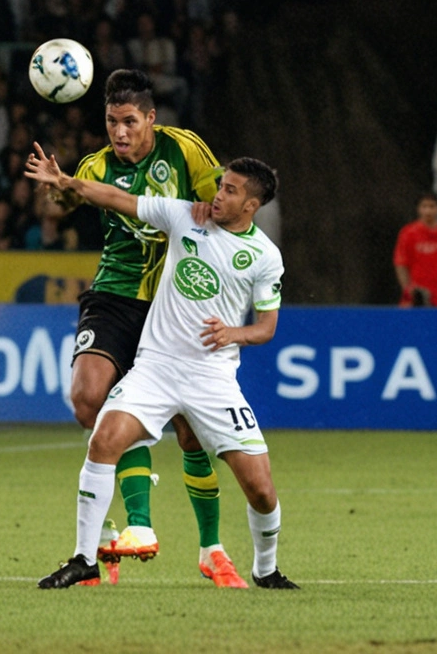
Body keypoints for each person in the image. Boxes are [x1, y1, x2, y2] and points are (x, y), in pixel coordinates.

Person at [28, 152, 296, 590]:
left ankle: (265, 570)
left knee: (261, 490)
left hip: (212, 378)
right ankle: (83, 559)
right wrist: (67, 181)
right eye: (219, 184)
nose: (217, 193)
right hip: (155, 367)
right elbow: (116, 197)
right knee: (103, 440)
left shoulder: (265, 257)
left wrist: (234, 333)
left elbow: (266, 327)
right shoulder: (183, 217)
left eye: (229, 190)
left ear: (251, 206)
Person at [40, 69, 240, 587]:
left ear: (151, 119)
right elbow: (64, 206)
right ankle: (119, 532)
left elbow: (225, 208)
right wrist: (59, 189)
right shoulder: (96, 165)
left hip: (176, 304)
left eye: (129, 121)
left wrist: (211, 211)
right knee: (88, 400)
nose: (119, 132)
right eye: (111, 121)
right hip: (116, 294)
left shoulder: (184, 149)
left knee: (191, 431)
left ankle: (212, 549)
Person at [393, 191, 437, 307]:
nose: (428, 211)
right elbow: (401, 265)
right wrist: (408, 292)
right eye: (424, 206)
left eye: (432, 206)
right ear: (419, 209)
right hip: (417, 296)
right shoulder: (409, 233)